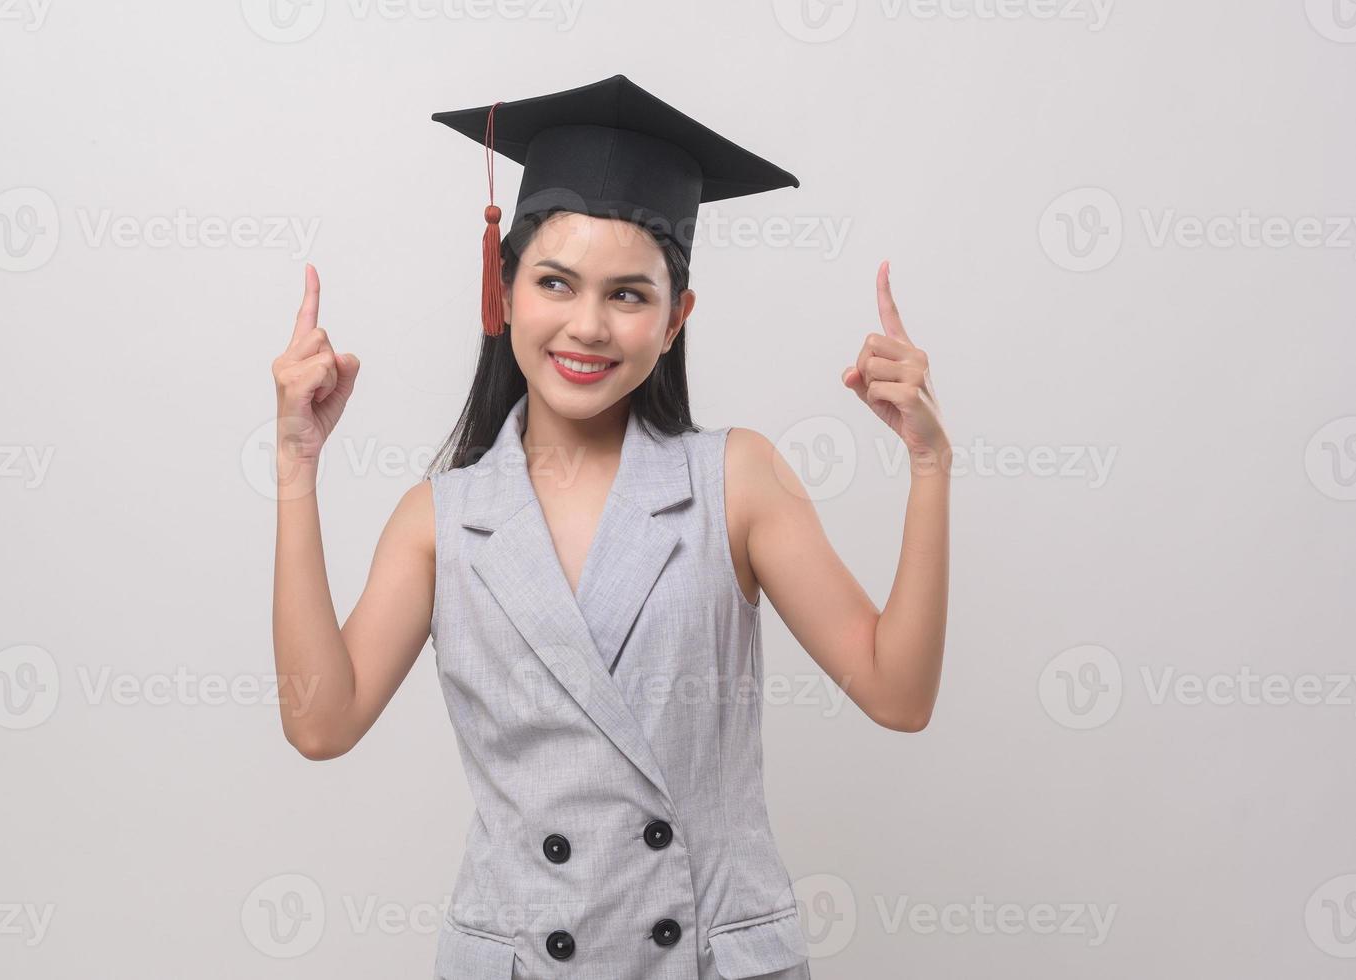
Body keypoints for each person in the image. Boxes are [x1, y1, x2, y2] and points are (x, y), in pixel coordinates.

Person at [269, 74, 952, 980]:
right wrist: (295, 466)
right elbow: (322, 724)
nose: (586, 327)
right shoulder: (442, 519)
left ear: (676, 320)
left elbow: (898, 696)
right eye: (555, 282)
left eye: (629, 295)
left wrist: (930, 468)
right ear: (504, 289)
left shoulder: (734, 480)